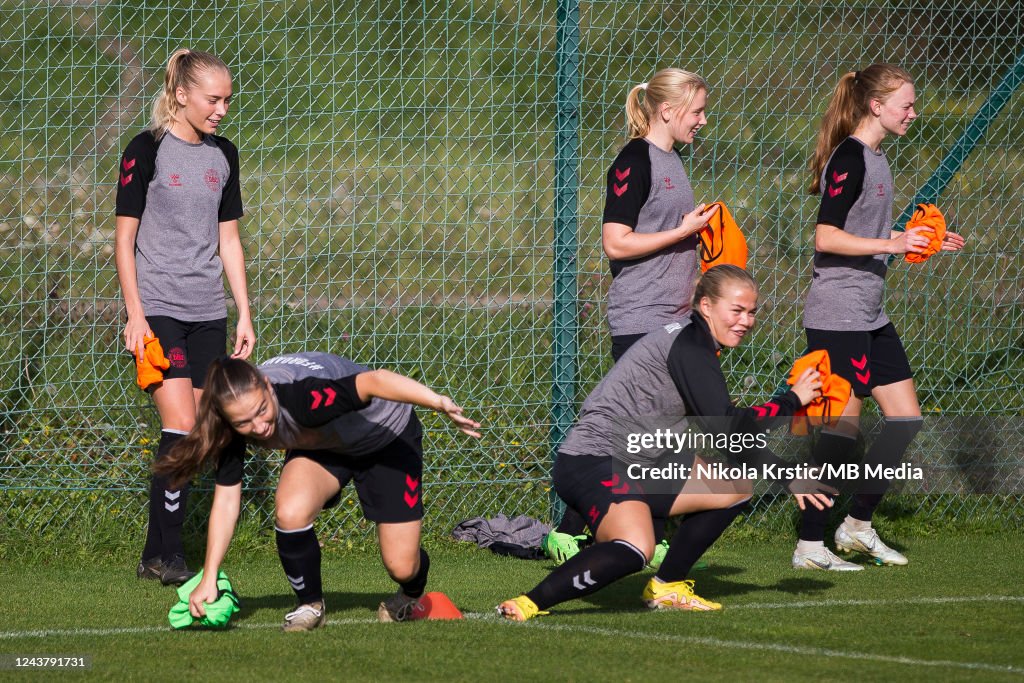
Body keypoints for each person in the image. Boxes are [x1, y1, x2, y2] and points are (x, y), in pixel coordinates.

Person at [499, 266, 832, 620]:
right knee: (636, 548)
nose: (746, 321)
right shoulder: (690, 346)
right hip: (596, 459)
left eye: (751, 312)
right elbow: (729, 427)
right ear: (706, 306)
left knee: (735, 487)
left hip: (642, 461)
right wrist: (791, 401)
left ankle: (667, 586)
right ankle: (529, 602)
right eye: (736, 310)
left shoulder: (695, 341)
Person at [153, 352, 481, 631]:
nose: (259, 427)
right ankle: (310, 604)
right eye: (244, 423)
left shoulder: (302, 397)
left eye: (262, 410)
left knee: (402, 566)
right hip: (324, 444)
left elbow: (375, 380)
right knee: (290, 511)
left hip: (386, 436)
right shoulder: (231, 424)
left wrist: (437, 401)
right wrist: (209, 576)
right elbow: (226, 501)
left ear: (267, 386)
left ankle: (411, 594)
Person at [544, 68, 721, 564]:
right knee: (639, 432)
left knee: (660, 432)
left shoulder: (673, 158)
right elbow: (616, 242)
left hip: (674, 316)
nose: (703, 121)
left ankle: (646, 531)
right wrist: (683, 231)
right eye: (697, 111)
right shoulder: (634, 159)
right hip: (641, 317)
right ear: (667, 110)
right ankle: (571, 531)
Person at [793, 64, 965, 571]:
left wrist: (921, 240)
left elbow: (866, 233)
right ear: (876, 106)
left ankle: (856, 526)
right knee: (839, 433)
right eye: (906, 105)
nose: (913, 113)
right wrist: (892, 243)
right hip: (837, 316)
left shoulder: (878, 157)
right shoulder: (850, 157)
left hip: (870, 314)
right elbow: (826, 237)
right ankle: (809, 545)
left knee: (905, 420)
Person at [115, 48, 255, 586]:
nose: (222, 110)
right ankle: (169, 555)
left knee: (199, 429)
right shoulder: (146, 149)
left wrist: (243, 313)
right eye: (213, 99)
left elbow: (229, 241)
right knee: (179, 426)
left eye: (227, 100)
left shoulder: (224, 155)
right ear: (181, 95)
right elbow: (124, 240)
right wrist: (135, 314)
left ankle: (155, 553)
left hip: (207, 311)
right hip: (158, 308)